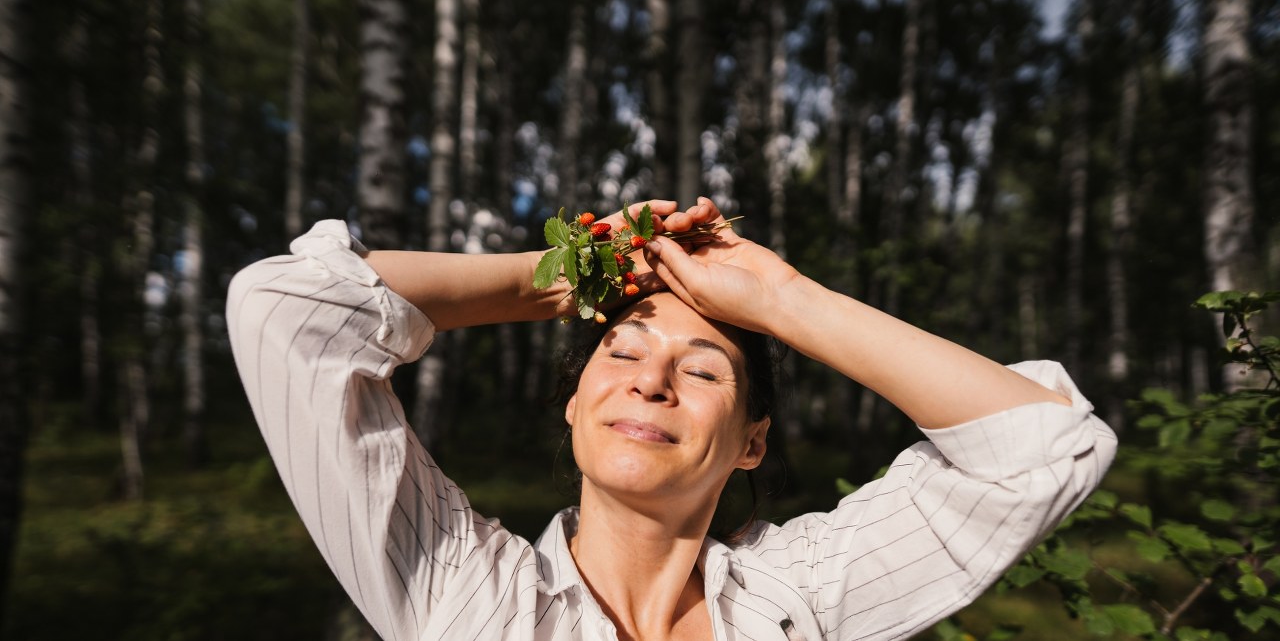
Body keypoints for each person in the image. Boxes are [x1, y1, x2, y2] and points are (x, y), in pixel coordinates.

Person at [227, 198, 1116, 641]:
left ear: (751, 443)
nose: (652, 381)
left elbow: (1041, 447)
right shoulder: (463, 591)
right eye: (620, 354)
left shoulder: (798, 598)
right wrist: (562, 277)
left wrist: (784, 300)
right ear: (576, 404)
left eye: (701, 371)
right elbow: (286, 309)